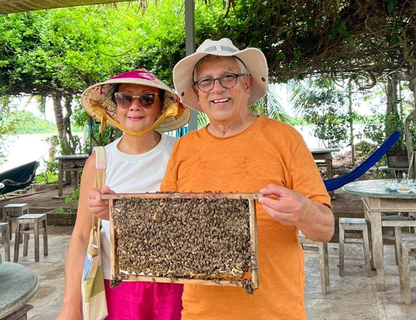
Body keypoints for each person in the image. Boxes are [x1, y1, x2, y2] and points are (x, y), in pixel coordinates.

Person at [162, 38, 335, 319]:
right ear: (197, 92)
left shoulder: (285, 139)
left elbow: (325, 230)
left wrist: (303, 211)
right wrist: (113, 212)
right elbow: (166, 226)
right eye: (206, 81)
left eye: (228, 77)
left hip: (275, 311)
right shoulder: (183, 148)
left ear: (247, 84)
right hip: (200, 312)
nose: (217, 88)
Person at [57, 69, 191, 320]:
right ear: (114, 105)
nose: (135, 106)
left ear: (162, 106)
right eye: (125, 98)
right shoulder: (100, 161)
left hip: (175, 281)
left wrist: (121, 211)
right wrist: (69, 306)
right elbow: (81, 235)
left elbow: (194, 221)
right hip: (117, 283)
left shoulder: (182, 153)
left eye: (147, 98)